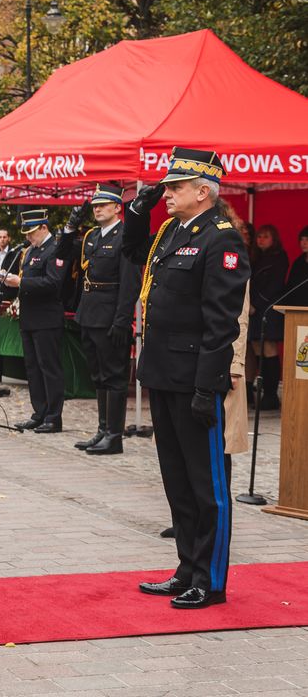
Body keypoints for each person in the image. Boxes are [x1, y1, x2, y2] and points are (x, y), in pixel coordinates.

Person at [123, 148, 249, 610]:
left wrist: (206, 385)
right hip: (163, 372)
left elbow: (222, 322)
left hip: (196, 378)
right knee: (177, 480)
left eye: (175, 187)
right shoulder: (172, 232)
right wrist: (138, 208)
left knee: (206, 485)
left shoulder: (222, 240)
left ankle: (210, 579)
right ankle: (186, 567)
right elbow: (132, 251)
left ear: (203, 191)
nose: (167, 193)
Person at [57, 185, 140, 455]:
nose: (97, 209)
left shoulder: (124, 236)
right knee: (98, 376)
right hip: (90, 314)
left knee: (114, 377)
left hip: (110, 317)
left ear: (118, 207)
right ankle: (103, 430)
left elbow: (129, 284)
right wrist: (71, 226)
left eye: (103, 204)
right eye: (95, 205)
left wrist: (122, 320)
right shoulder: (92, 236)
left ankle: (114, 436)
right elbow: (62, 254)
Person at [4, 209, 67, 433]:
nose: (28, 237)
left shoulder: (55, 249)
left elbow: (53, 282)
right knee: (32, 369)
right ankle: (39, 412)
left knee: (49, 368)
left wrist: (20, 282)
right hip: (29, 318)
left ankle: (53, 416)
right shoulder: (31, 251)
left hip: (47, 318)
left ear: (43, 227)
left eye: (32, 232)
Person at [248, 224, 288, 409]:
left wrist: (256, 303)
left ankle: (271, 395)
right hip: (253, 309)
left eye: (265, 236)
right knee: (257, 349)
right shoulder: (255, 257)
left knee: (269, 349)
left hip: (268, 309)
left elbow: (275, 285)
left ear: (274, 239)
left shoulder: (279, 258)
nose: (260, 239)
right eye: (259, 236)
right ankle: (264, 393)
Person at [284, 226, 308, 307]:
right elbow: (290, 288)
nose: (303, 243)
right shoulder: (298, 262)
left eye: (307, 239)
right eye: (302, 239)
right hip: (296, 309)